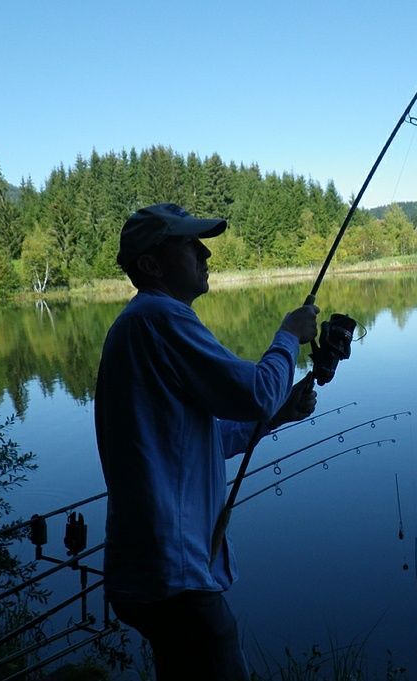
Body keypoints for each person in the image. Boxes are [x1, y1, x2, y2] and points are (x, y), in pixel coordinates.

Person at [94, 203, 319, 680]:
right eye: (189, 244)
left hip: (156, 569)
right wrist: (288, 336)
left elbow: (203, 439)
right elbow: (256, 392)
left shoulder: (144, 324)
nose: (205, 253)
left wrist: (279, 414)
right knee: (217, 652)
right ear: (152, 265)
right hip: (172, 572)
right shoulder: (158, 318)